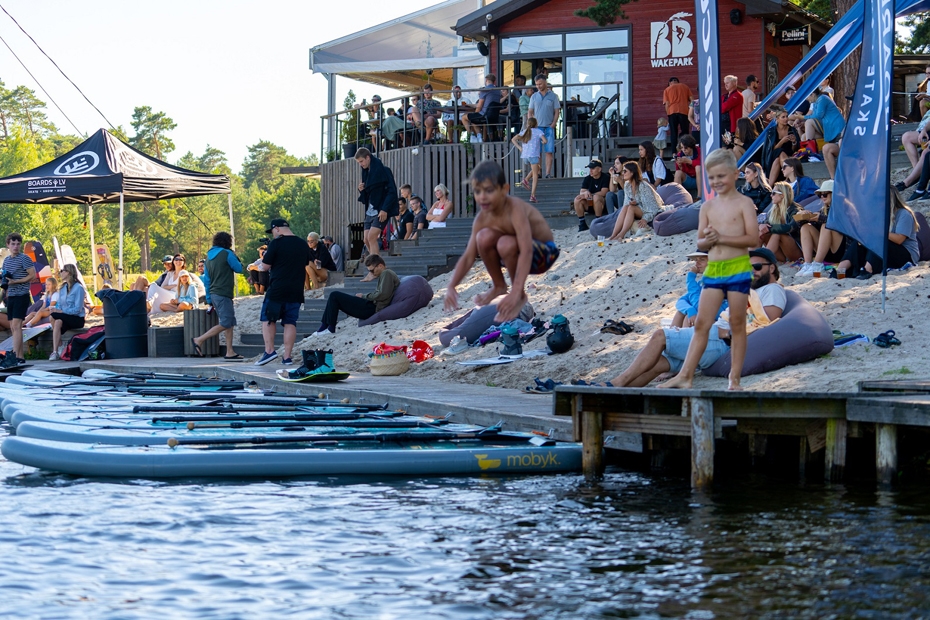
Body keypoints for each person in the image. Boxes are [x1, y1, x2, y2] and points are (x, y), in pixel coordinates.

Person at [608, 247, 784, 388]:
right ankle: (617, 391)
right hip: (713, 338)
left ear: (772, 268)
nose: (753, 271)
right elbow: (686, 301)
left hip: (718, 341)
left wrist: (727, 333)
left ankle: (616, 383)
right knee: (659, 364)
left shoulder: (773, 290)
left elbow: (765, 322)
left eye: (757, 267)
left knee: (660, 336)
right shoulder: (751, 290)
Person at [659, 149, 759, 390]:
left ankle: (734, 378)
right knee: (702, 322)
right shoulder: (707, 207)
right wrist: (710, 239)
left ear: (736, 174)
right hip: (713, 269)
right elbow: (700, 243)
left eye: (721, 176)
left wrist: (722, 237)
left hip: (737, 267)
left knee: (736, 323)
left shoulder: (744, 203)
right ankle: (685, 375)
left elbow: (753, 239)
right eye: (712, 178)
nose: (716, 182)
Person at [444, 160, 559, 323]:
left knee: (505, 243)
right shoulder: (482, 218)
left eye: (489, 191)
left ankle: (518, 295)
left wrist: (517, 290)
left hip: (544, 254)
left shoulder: (515, 209)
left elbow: (526, 249)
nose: (482, 196)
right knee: (482, 237)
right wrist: (451, 285)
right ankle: (499, 285)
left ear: (504, 189)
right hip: (519, 254)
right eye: (477, 191)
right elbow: (469, 256)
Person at [254, 219, 311, 366]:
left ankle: (269, 350)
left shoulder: (276, 243)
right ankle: (287, 357)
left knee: (268, 318)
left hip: (277, 289)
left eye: (273, 231)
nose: (273, 234)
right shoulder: (302, 243)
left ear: (277, 229)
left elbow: (265, 267)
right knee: (290, 322)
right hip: (296, 289)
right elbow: (306, 263)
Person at [839, 187, 920, 279]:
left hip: (906, 254)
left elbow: (899, 239)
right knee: (860, 242)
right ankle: (841, 270)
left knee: (879, 241)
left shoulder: (904, 214)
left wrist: (877, 231)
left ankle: (868, 270)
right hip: (888, 251)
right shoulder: (881, 215)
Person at [310, 255, 399, 336]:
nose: (371, 273)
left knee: (334, 295)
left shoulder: (386, 273)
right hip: (371, 305)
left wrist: (364, 296)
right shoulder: (385, 274)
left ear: (380, 266)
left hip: (372, 308)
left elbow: (382, 294)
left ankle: (329, 328)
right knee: (334, 296)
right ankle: (323, 328)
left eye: (372, 270)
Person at [193, 231, 244, 361]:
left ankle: (230, 351)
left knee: (229, 322)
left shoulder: (208, 258)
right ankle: (199, 340)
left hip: (214, 294)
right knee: (227, 322)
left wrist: (209, 298)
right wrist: (235, 256)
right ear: (228, 242)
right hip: (223, 294)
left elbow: (207, 281)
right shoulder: (227, 254)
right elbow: (239, 268)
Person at [355, 147, 399, 274]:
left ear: (368, 157)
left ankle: (374, 269)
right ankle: (378, 266)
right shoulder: (366, 174)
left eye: (362, 161)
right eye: (359, 162)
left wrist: (385, 209)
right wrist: (362, 190)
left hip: (381, 210)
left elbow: (391, 191)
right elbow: (366, 197)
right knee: (366, 239)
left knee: (372, 237)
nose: (361, 164)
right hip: (370, 211)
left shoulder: (384, 171)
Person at [790, 89, 844, 178]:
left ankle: (811, 153)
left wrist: (800, 117)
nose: (807, 99)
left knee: (809, 122)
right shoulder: (816, 103)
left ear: (813, 94)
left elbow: (818, 116)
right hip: (828, 130)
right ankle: (809, 155)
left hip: (836, 130)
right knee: (804, 136)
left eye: (807, 96)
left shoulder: (822, 99)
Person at [797, 180, 847, 276]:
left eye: (825, 194)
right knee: (805, 227)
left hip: (841, 250)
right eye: (820, 195)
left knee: (826, 225)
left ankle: (817, 264)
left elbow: (842, 224)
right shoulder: (823, 210)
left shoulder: (844, 207)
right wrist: (802, 218)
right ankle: (808, 264)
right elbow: (797, 227)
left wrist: (821, 218)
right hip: (826, 251)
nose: (822, 197)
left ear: (834, 194)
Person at [1, 233, 36, 365]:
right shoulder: (7, 260)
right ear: (8, 245)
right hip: (11, 296)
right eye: (13, 244)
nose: (16, 246)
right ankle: (20, 356)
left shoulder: (24, 258)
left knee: (16, 326)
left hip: (22, 295)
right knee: (13, 327)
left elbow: (32, 275)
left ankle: (15, 356)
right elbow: (5, 279)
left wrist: (17, 281)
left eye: (18, 244)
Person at [608, 161, 664, 241]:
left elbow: (652, 206)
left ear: (632, 173)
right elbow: (626, 204)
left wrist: (645, 219)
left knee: (631, 208)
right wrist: (633, 202)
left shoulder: (643, 186)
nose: (623, 173)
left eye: (625, 171)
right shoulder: (627, 185)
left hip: (650, 210)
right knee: (626, 207)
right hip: (638, 209)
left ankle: (621, 234)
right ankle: (613, 235)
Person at [671, 250, 727, 328]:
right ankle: (674, 338)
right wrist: (690, 309)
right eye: (696, 260)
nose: (697, 264)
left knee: (690, 317)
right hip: (710, 320)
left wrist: (690, 278)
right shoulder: (702, 282)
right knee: (682, 312)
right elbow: (681, 300)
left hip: (722, 323)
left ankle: (680, 338)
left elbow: (701, 308)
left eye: (702, 260)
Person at [48, 264, 86, 361]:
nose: (60, 273)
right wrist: (58, 310)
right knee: (57, 321)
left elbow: (77, 309)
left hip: (76, 317)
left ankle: (59, 345)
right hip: (65, 316)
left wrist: (61, 311)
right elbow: (60, 304)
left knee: (53, 316)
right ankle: (56, 350)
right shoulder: (63, 288)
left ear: (68, 272)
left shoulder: (78, 288)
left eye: (62, 271)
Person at [527, 74, 561, 178]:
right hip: (537, 128)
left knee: (549, 151)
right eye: (536, 84)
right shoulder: (534, 96)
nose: (538, 86)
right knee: (537, 152)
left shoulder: (553, 96)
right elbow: (530, 111)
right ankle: (538, 172)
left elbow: (557, 111)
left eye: (540, 84)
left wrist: (554, 123)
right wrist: (531, 124)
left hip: (549, 127)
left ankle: (548, 173)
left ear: (545, 82)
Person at [759, 181, 801, 262]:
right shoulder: (774, 210)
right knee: (762, 232)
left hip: (797, 252)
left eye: (773, 193)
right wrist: (761, 226)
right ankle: (750, 258)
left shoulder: (795, 209)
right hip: (782, 255)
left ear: (782, 195)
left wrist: (769, 228)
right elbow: (766, 224)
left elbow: (790, 228)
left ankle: (763, 259)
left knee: (777, 233)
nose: (771, 195)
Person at [512, 117, 547, 203]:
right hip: (533, 155)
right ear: (536, 124)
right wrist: (542, 143)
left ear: (528, 124)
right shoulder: (538, 131)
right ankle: (533, 195)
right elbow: (545, 141)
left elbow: (513, 139)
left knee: (537, 168)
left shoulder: (524, 131)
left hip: (525, 157)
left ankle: (526, 180)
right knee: (536, 174)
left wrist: (520, 148)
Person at [762, 107, 800, 186]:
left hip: (787, 155)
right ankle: (788, 177)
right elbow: (771, 150)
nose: (786, 119)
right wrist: (782, 141)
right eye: (783, 117)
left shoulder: (792, 130)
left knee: (778, 159)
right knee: (780, 151)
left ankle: (769, 186)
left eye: (787, 116)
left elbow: (794, 150)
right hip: (773, 155)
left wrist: (794, 142)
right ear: (777, 119)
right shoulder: (771, 131)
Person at [574, 158, 610, 231]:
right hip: (589, 203)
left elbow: (604, 192)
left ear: (599, 169)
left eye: (593, 168)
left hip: (602, 205)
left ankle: (598, 222)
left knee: (596, 197)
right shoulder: (587, 178)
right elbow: (582, 191)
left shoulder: (605, 177)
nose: (590, 170)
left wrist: (590, 194)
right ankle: (582, 223)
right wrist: (585, 193)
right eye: (590, 168)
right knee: (577, 199)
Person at [463, 74, 498, 142]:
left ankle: (472, 136)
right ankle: (479, 137)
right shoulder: (498, 91)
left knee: (464, 117)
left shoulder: (485, 90)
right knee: (473, 117)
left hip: (484, 115)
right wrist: (471, 105)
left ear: (486, 80)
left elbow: (479, 106)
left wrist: (475, 114)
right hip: (494, 116)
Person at [663, 77, 692, 152]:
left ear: (670, 83)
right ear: (678, 82)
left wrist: (668, 114)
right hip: (684, 111)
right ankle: (685, 150)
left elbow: (667, 104)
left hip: (672, 112)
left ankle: (674, 153)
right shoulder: (685, 87)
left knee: (673, 133)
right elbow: (692, 100)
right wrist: (691, 111)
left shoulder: (667, 89)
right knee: (685, 132)